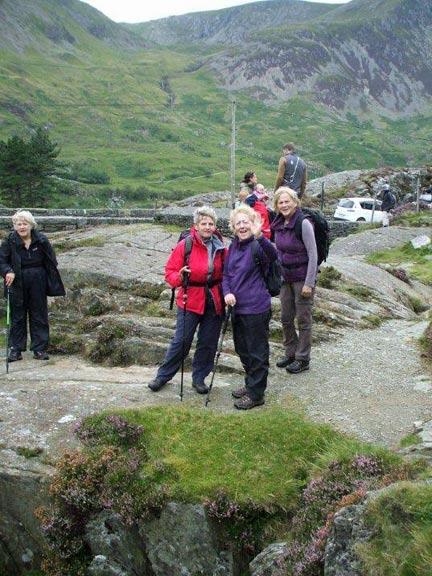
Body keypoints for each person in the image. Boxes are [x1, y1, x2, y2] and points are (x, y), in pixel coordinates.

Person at [147, 206, 226, 394]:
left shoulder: (221, 246)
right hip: (190, 298)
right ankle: (163, 376)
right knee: (181, 341)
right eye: (203, 223)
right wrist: (180, 278)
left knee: (208, 341)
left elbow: (226, 273)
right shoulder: (186, 245)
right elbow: (170, 272)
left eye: (211, 223)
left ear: (215, 226)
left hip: (213, 299)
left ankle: (199, 378)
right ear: (196, 225)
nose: (207, 227)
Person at [223, 205, 278, 409]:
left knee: (257, 352)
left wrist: (261, 236)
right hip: (237, 308)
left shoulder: (259, 245)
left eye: (246, 221)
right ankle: (251, 383)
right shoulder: (233, 246)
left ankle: (256, 395)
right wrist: (227, 292)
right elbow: (227, 274)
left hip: (256, 307)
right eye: (238, 223)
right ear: (233, 227)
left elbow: (273, 256)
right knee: (243, 349)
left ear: (253, 222)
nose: (242, 226)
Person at [0, 210, 65, 362]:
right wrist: (8, 271)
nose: (22, 227)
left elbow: (51, 260)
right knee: (17, 316)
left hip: (38, 281)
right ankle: (15, 349)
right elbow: (2, 261)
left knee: (39, 314)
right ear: (14, 226)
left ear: (31, 225)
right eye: (18, 224)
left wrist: (50, 280)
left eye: (25, 224)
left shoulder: (41, 240)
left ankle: (39, 349)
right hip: (16, 281)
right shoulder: (10, 241)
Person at [271, 187, 318, 374]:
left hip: (302, 278)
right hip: (285, 278)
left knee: (303, 319)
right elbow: (277, 251)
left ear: (295, 202)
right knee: (285, 318)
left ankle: (303, 358)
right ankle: (290, 352)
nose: (284, 205)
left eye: (287, 201)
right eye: (280, 202)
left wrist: (309, 283)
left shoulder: (303, 223)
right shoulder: (279, 223)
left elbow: (313, 254)